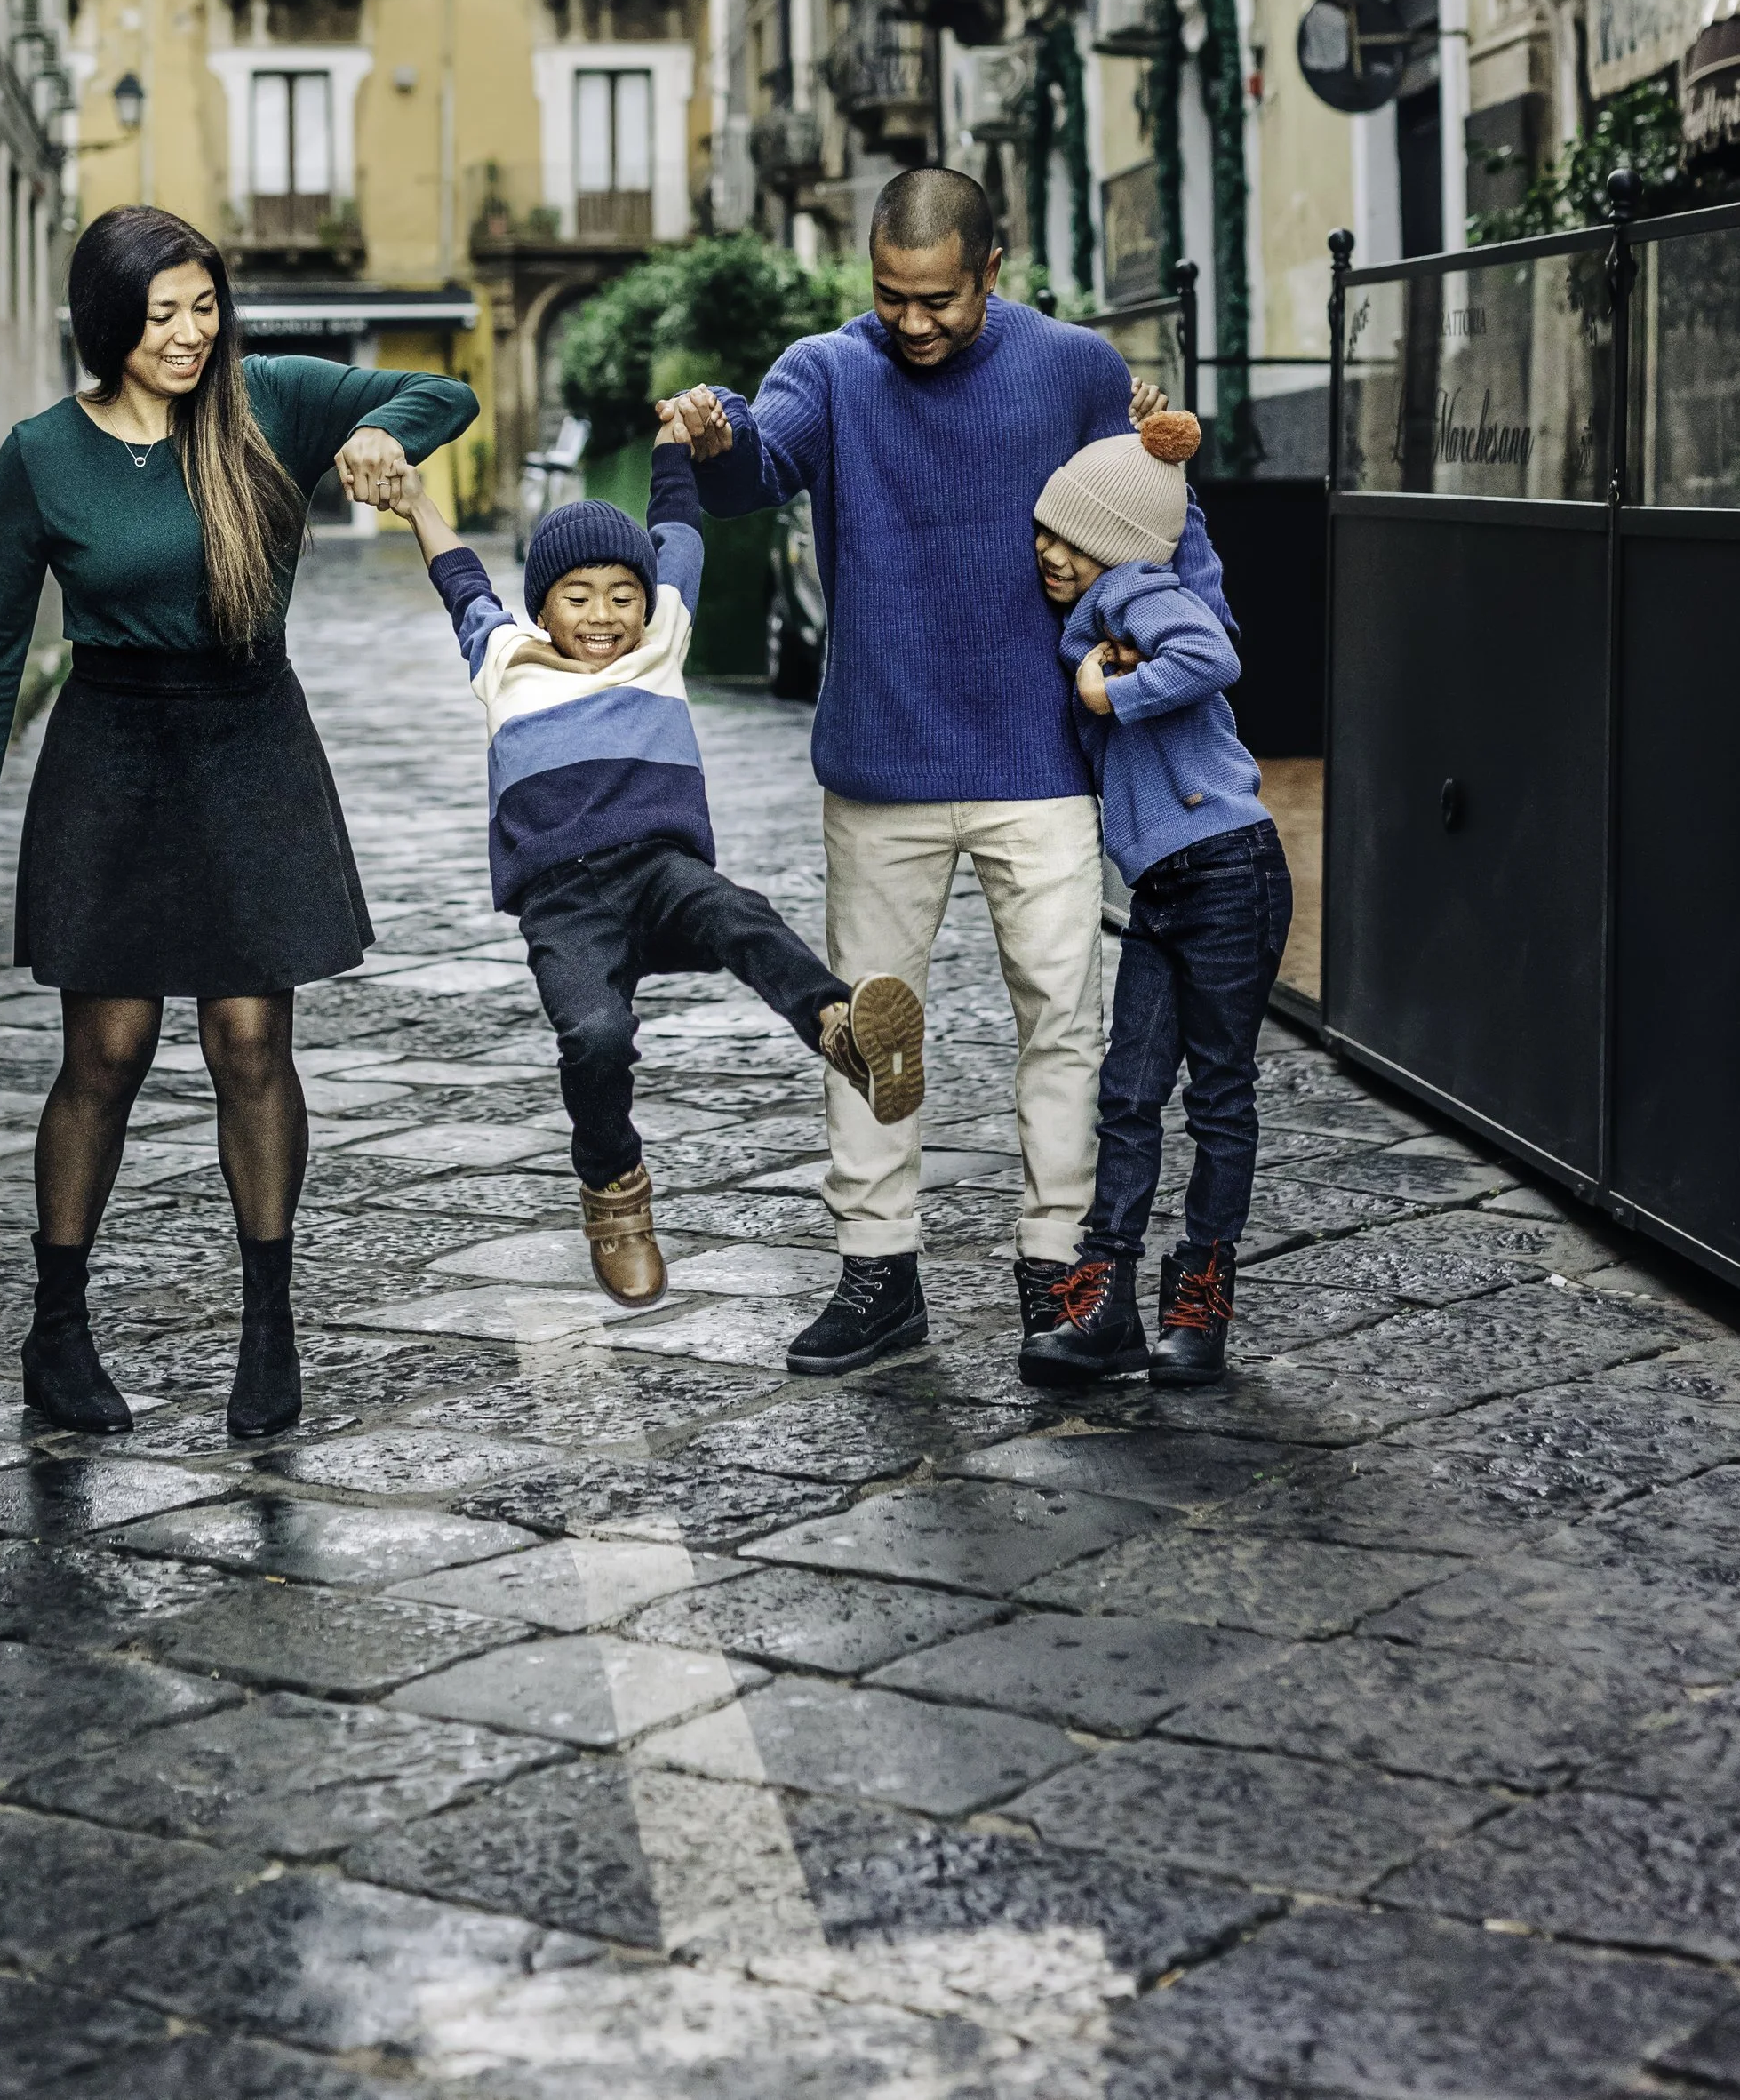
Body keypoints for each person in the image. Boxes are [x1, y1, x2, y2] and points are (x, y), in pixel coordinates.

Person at [0, 204, 475, 1444]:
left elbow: (441, 393)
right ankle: (56, 1331)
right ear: (107, 319)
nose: (191, 332)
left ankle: (268, 1328)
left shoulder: (267, 399)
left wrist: (382, 431)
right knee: (106, 1051)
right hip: (111, 750)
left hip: (247, 740)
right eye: (163, 312)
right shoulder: (41, 455)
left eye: (205, 304)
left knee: (248, 1039)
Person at [674, 164, 1234, 1377]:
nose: (913, 322)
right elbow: (755, 464)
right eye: (890, 296)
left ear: (991, 268)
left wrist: (1181, 638)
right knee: (871, 1026)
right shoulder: (827, 369)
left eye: (939, 297)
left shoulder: (1075, 366)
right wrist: (716, 430)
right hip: (880, 761)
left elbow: (1153, 519)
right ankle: (879, 1273)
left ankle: (1061, 1275)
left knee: (1064, 1025)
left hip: (1042, 755)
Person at [386, 403, 924, 1312]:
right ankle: (615, 1195)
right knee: (594, 1039)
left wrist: (674, 444)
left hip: (659, 871)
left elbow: (678, 536)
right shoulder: (503, 656)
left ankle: (841, 1031)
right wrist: (414, 502)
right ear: (543, 605)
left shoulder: (660, 643)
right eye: (579, 597)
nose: (604, 615)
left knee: (739, 912)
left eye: (622, 595)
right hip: (564, 902)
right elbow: (457, 575)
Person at [1021, 412, 1292, 1391]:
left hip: (1226, 870)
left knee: (1218, 1096)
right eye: (1046, 533)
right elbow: (1194, 561)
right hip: (1165, 890)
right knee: (1128, 1095)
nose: (1051, 553)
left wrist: (1108, 697)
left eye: (1073, 539)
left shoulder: (1137, 590)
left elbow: (1212, 657)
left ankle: (1201, 1298)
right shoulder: (1113, 603)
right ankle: (1108, 1304)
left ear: (1122, 547)